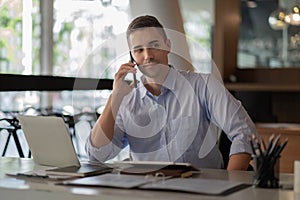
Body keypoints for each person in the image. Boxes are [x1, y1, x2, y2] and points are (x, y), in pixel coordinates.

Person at [85, 15, 258, 170]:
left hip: (201, 190)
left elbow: (244, 132)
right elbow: (96, 155)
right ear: (132, 57)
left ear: (168, 46)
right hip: (146, 191)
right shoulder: (126, 100)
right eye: (139, 50)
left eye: (154, 46)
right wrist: (115, 98)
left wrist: (229, 184)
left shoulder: (203, 85)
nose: (148, 56)